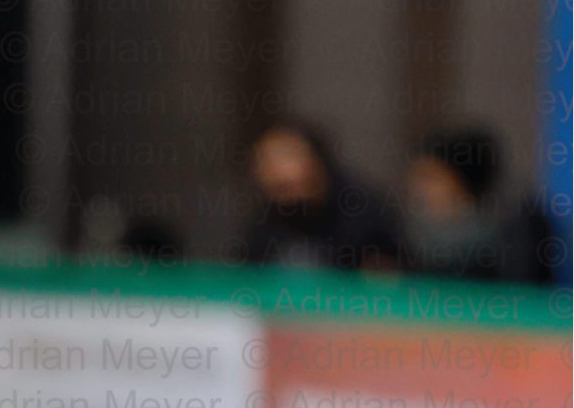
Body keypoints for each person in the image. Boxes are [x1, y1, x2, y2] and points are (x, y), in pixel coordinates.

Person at [237, 120, 405, 274]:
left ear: (317, 161)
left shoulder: (363, 211)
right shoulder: (268, 217)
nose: (275, 171)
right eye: (265, 162)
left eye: (287, 157)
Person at [401, 126, 559, 287]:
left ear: (464, 182)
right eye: (417, 177)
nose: (418, 188)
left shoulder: (516, 239)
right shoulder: (409, 237)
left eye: (431, 178)